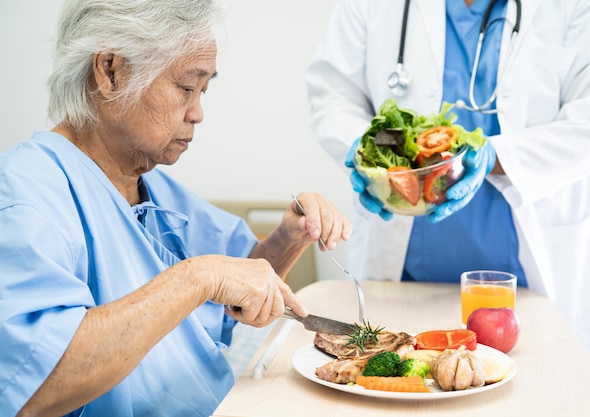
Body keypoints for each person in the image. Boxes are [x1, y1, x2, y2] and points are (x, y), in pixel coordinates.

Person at [0, 0, 352, 416]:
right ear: (110, 71)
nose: (198, 112)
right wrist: (197, 277)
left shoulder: (151, 185)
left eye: (204, 91)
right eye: (187, 87)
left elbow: (241, 284)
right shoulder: (27, 193)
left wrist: (289, 237)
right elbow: (34, 385)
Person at [306, 0, 590, 380]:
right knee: (402, 379)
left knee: (546, 389)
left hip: (536, 279)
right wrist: (367, 152)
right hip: (405, 276)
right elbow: (333, 94)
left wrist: (495, 155)